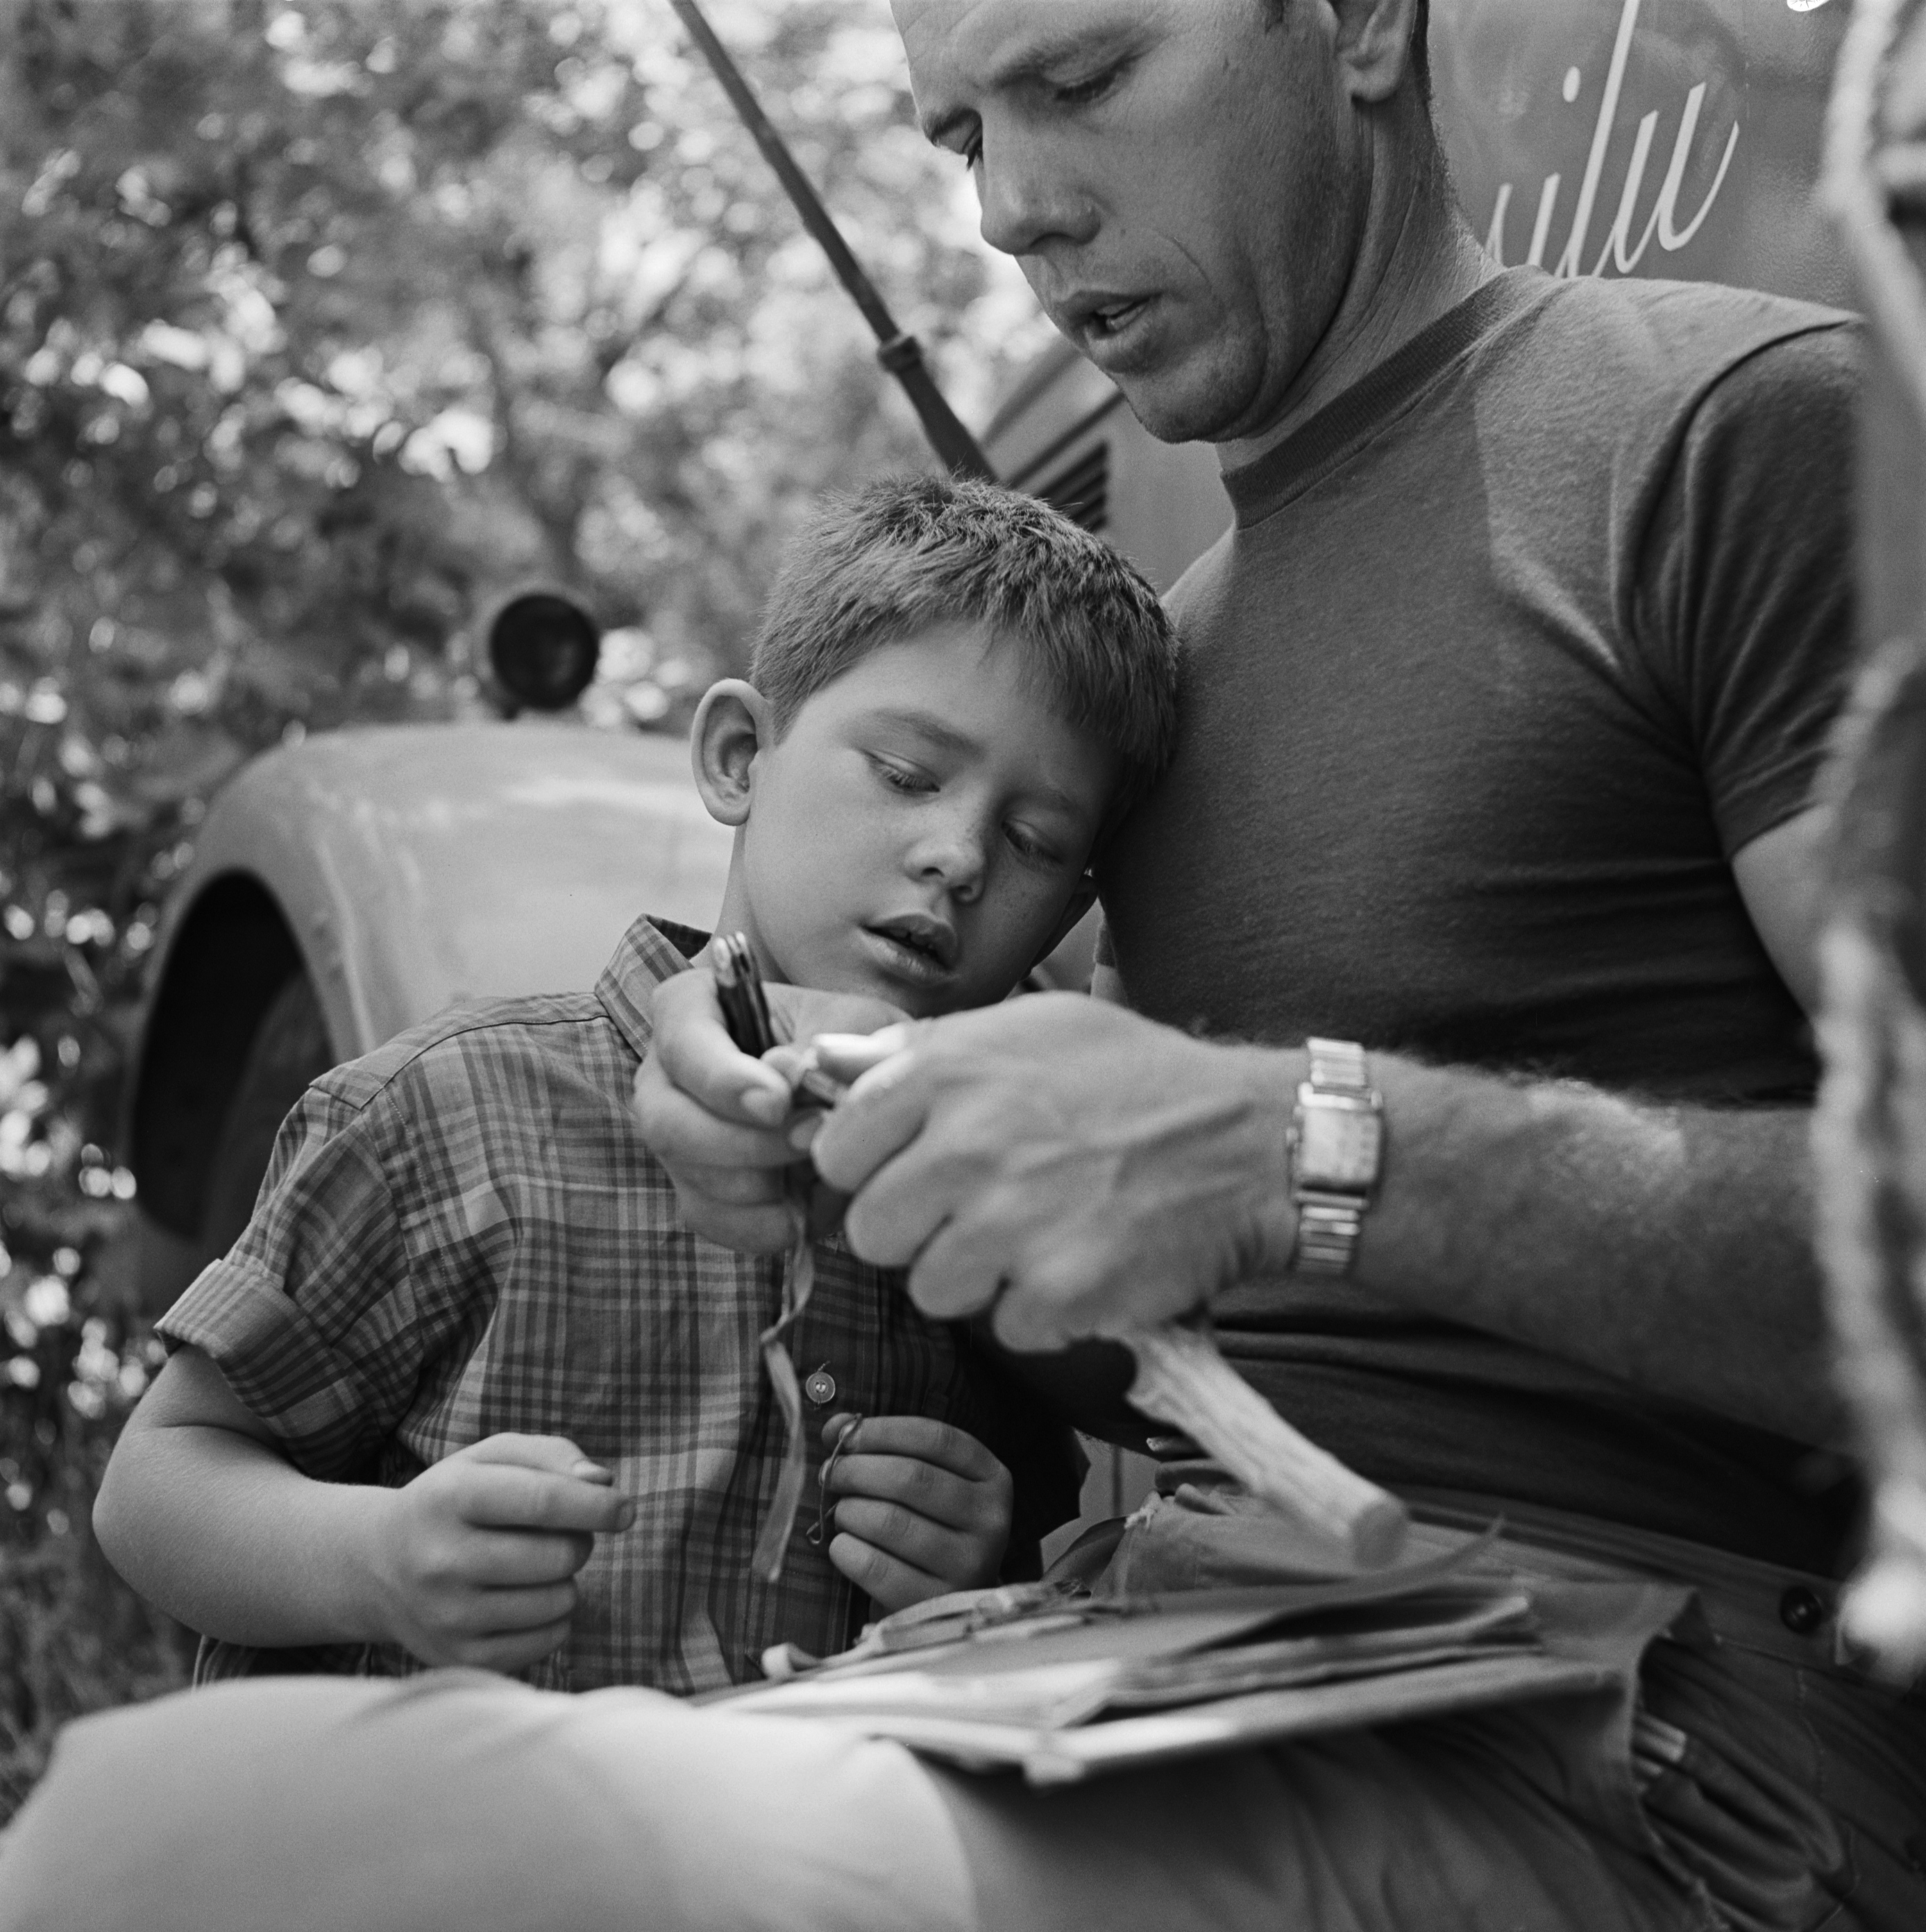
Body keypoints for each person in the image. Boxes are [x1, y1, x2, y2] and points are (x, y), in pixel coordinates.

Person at [4, 4, 1923, 1931]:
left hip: (1636, 1746)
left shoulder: (1728, 437)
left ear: (1357, 27)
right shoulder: (1162, 678)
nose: (1010, 209)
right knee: (186, 1836)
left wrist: (1299, 1154)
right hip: (1138, 1655)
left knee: (197, 1859)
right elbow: (1201, 1317)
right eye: (955, 140)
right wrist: (820, 1111)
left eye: (1081, 84)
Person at [81, 473, 1177, 1694]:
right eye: (910, 776)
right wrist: (375, 1555)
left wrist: (983, 1570)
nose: (959, 855)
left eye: (1035, 842)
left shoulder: (999, 1218)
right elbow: (158, 1483)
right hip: (440, 1862)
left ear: (1074, 909)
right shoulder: (454, 1108)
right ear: (737, 758)